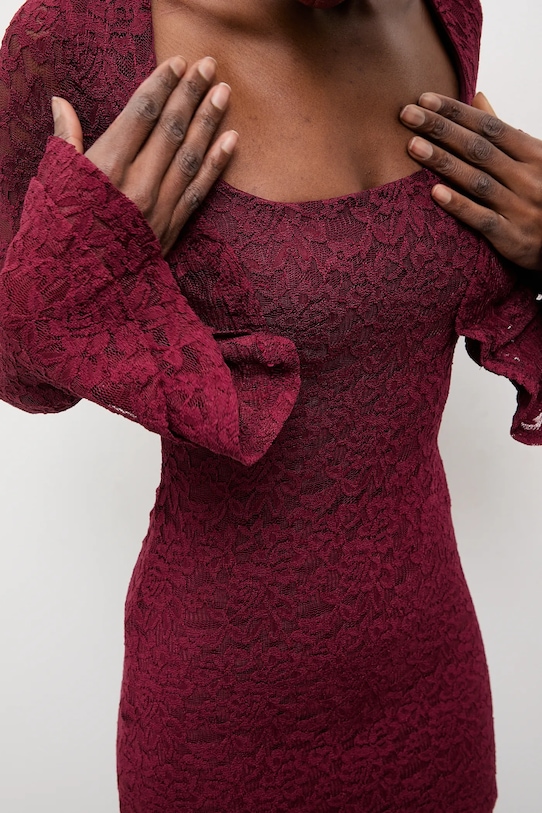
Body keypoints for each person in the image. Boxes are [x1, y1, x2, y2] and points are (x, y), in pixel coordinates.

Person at [1, 0, 541, 810]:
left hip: (432, 685)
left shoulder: (443, 14)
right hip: (220, 719)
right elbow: (21, 373)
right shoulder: (76, 37)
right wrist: (79, 263)